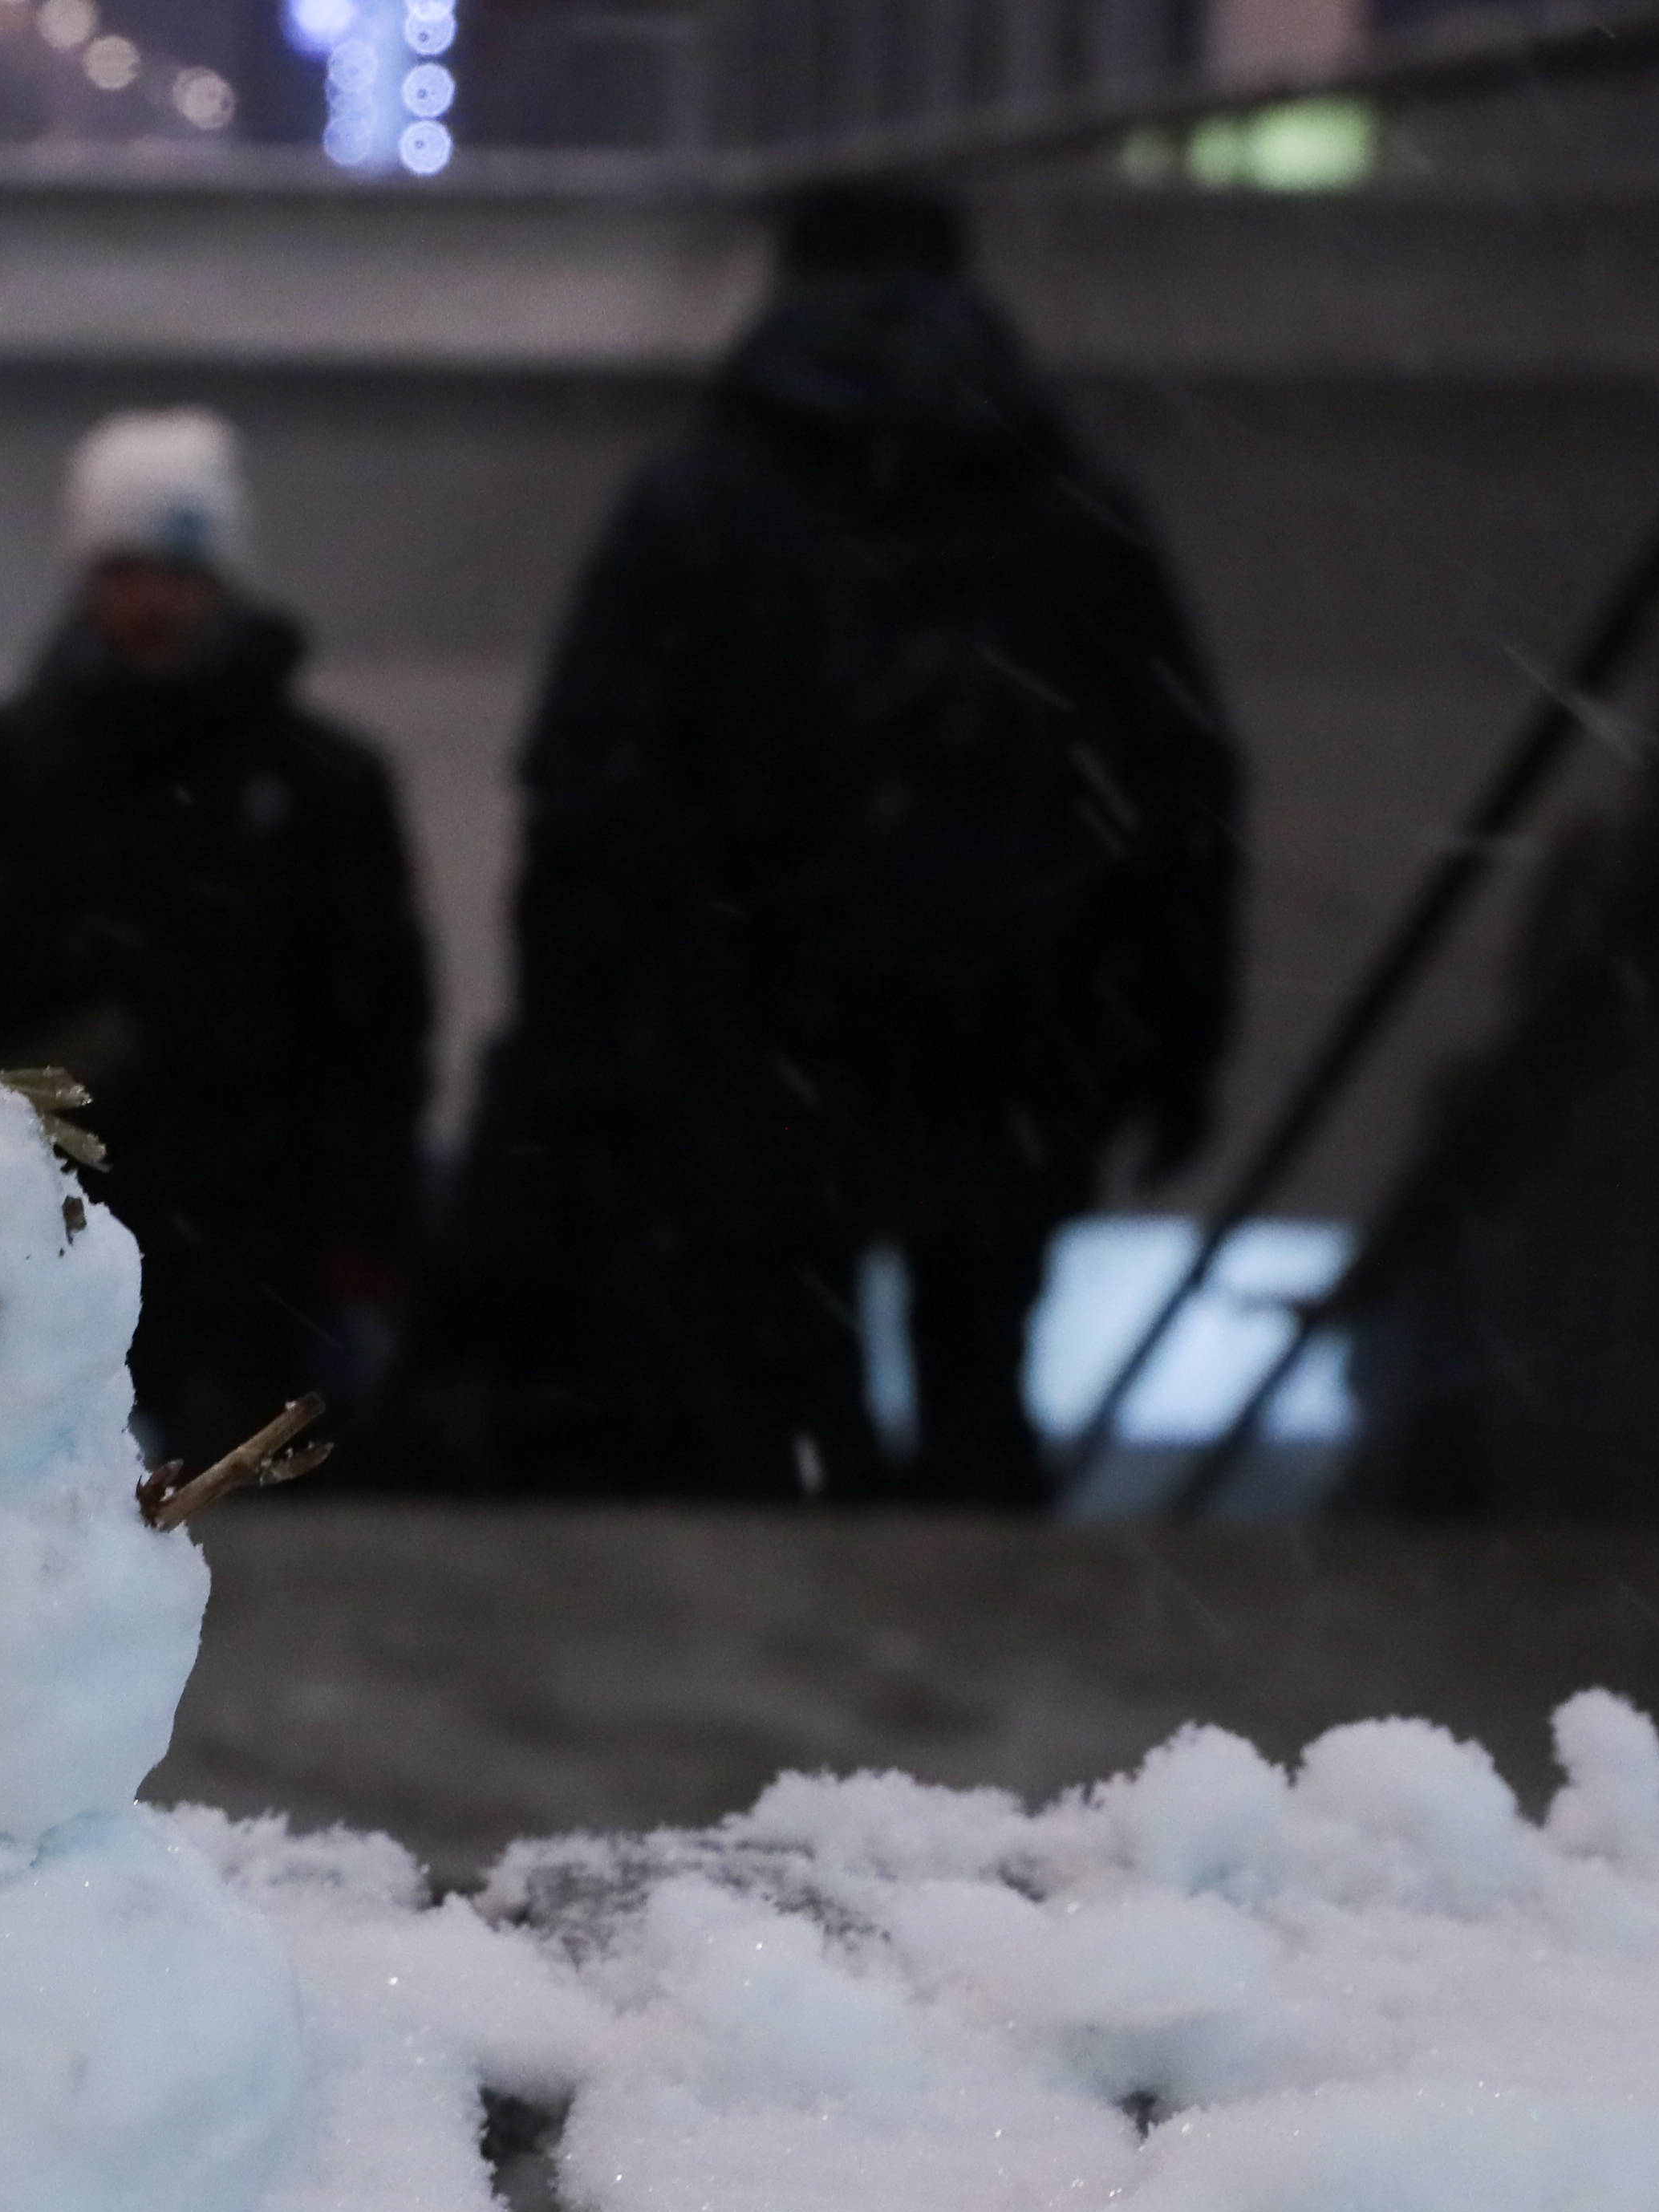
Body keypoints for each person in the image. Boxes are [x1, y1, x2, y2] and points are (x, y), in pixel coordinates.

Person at [397, 177, 1240, 1506]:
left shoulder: (699, 503)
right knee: (982, 1374)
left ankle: (823, 1656)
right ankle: (993, 1650)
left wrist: (578, 1051)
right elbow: (1180, 786)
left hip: (759, 1042)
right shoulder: (1074, 505)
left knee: (785, 1400)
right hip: (1009, 1032)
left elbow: (586, 796)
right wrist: (1177, 1037)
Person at [0, 408, 432, 1475]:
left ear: (221, 579)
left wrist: (364, 1227)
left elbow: (377, 1023)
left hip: (256, 1244)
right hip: (44, 1237)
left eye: (177, 567)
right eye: (125, 567)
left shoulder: (321, 788)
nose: (152, 600)